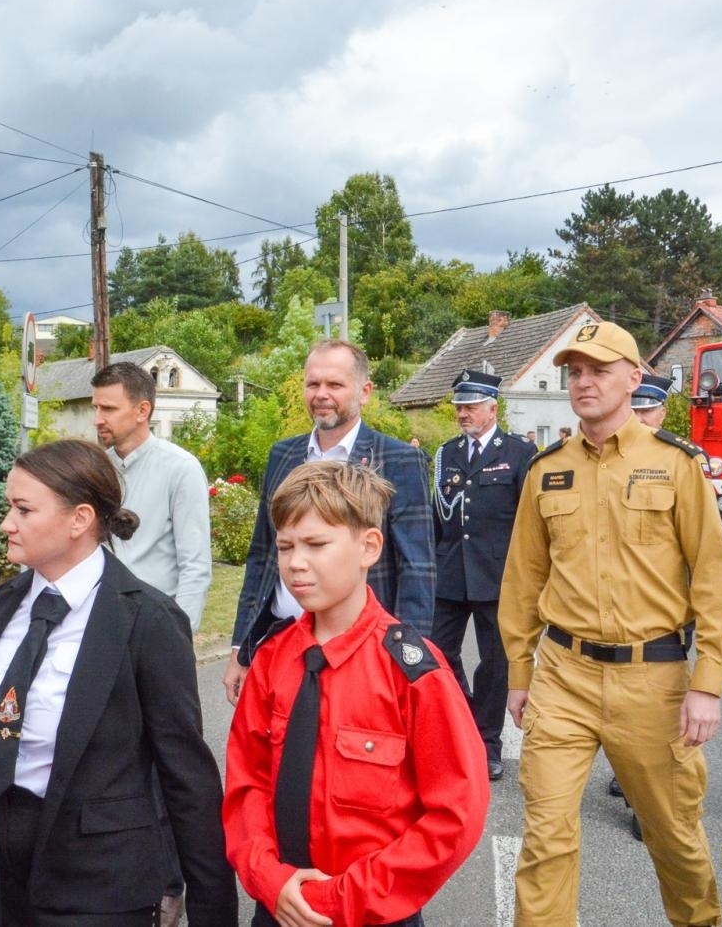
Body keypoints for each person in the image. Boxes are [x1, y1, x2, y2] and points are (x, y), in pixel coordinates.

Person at [499, 320, 722, 927]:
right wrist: (519, 672)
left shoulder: (677, 465)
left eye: (598, 371)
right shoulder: (546, 469)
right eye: (575, 372)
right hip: (563, 677)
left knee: (673, 836)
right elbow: (523, 579)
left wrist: (708, 683)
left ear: (634, 378)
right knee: (546, 837)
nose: (583, 382)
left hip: (653, 681)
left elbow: (715, 578)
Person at [0, 439, 236, 926]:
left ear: (79, 519)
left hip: (96, 886)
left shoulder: (147, 620)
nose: (6, 523)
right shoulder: (4, 603)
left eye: (23, 509)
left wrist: (213, 910)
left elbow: (186, 777)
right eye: (9, 507)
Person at [224, 460, 488, 926]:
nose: (295, 562)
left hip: (372, 912)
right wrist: (269, 877)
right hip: (281, 906)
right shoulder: (270, 661)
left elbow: (455, 813)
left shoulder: (411, 672)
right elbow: (247, 786)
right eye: (285, 547)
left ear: (368, 547)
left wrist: (339, 898)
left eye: (316, 545)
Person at [225, 339, 437, 703]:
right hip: (279, 639)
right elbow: (262, 556)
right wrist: (240, 648)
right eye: (313, 384)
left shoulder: (399, 460)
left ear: (364, 392)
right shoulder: (283, 455)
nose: (321, 394)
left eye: (335, 384)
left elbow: (417, 569)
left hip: (358, 646)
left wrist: (405, 661)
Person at [430, 370, 535, 782]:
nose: (462, 413)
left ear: (493, 408)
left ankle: (488, 741)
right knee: (436, 652)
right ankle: (466, 717)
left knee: (495, 663)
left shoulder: (519, 453)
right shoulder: (446, 453)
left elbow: (528, 522)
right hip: (451, 572)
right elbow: (437, 518)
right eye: (459, 406)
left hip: (497, 574)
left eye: (470, 406)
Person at [91, 361, 213, 630]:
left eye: (108, 409)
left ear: (142, 411)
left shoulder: (181, 469)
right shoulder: (97, 468)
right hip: (100, 622)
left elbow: (195, 565)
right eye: (96, 408)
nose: (97, 419)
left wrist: (179, 635)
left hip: (155, 624)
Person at [608, 369, 679, 817]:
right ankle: (625, 772)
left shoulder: (679, 461)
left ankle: (646, 803)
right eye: (634, 410)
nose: (640, 418)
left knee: (654, 714)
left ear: (662, 413)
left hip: (660, 611)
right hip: (610, 602)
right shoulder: (605, 459)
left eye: (647, 411)